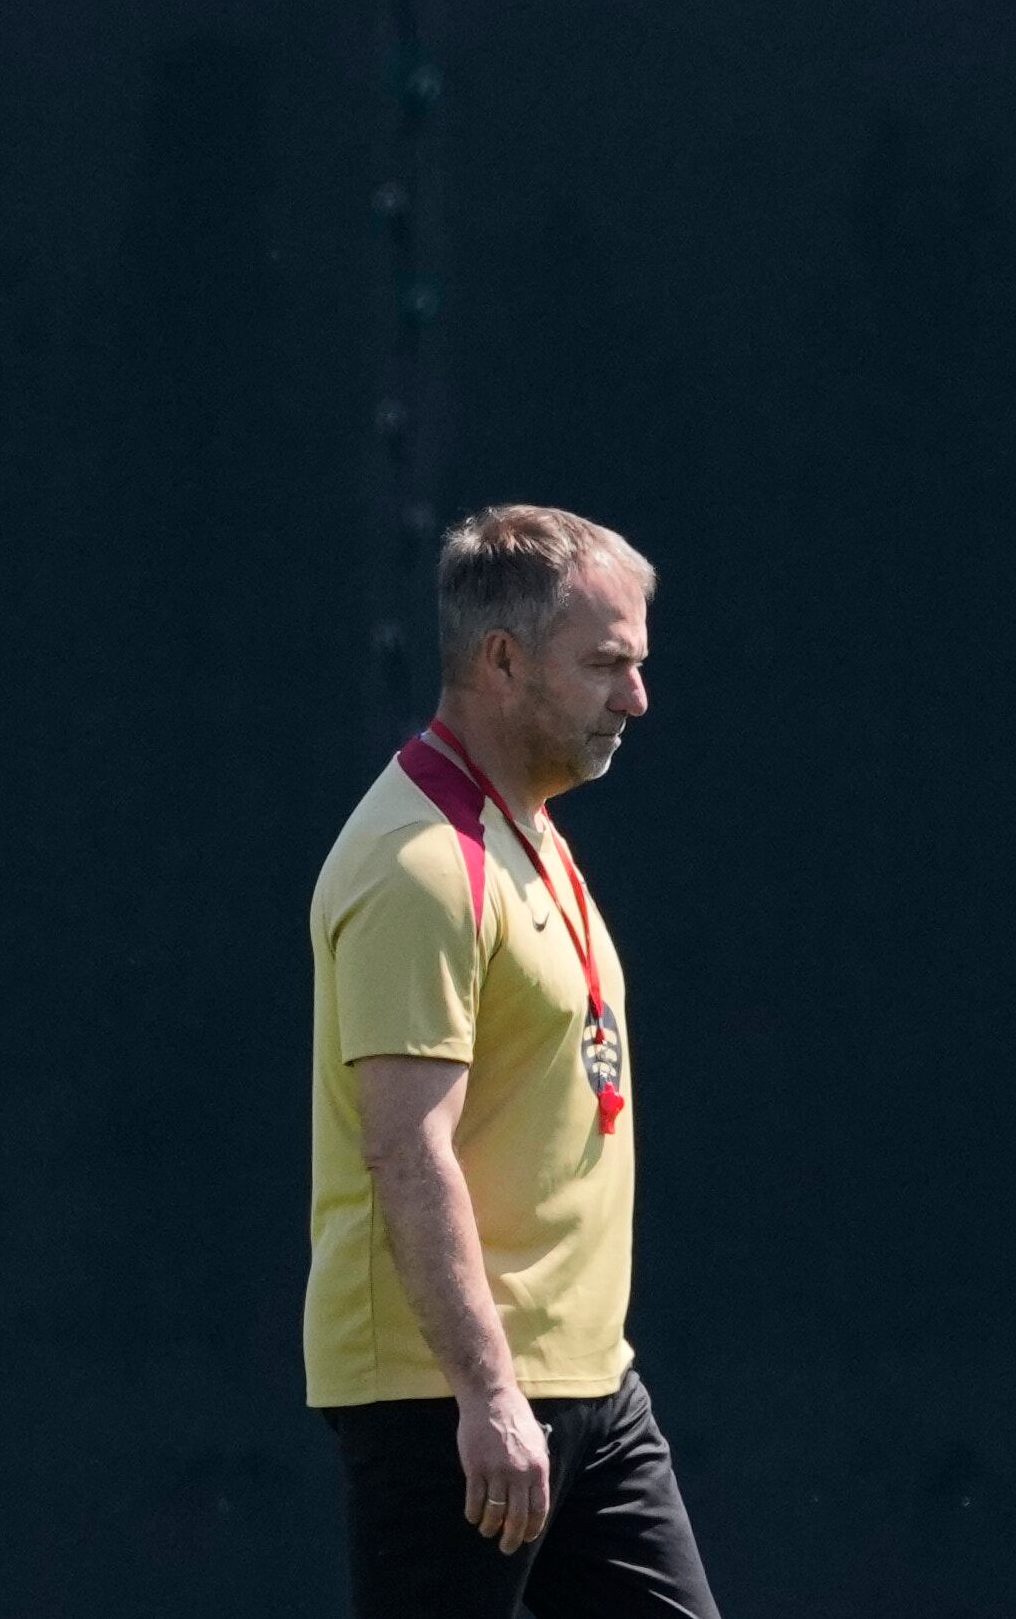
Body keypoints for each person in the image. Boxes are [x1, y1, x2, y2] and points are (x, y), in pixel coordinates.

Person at [303, 503, 721, 1617]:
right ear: (499, 659)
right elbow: (404, 1146)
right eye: (605, 665)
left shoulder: (524, 824)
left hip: (588, 1383)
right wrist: (487, 1394)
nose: (635, 698)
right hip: (451, 1399)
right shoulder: (421, 865)